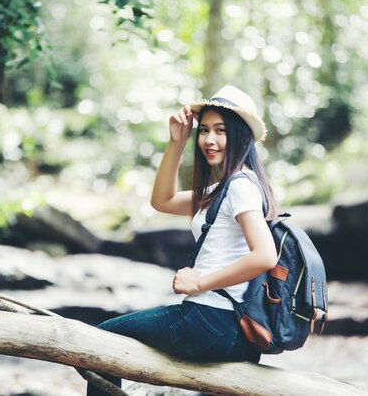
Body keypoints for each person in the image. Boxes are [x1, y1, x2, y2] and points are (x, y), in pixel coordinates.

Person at [87, 85, 278, 395]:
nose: (209, 140)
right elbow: (162, 200)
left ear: (241, 135)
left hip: (210, 320)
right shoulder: (225, 190)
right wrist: (177, 142)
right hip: (229, 329)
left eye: (220, 130)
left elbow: (265, 256)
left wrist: (199, 283)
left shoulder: (240, 188)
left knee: (100, 341)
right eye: (204, 130)